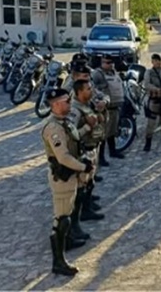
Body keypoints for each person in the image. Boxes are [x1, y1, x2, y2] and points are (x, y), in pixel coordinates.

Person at [42, 88, 94, 276]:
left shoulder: (65, 122)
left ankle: (68, 242)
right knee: (62, 219)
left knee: (68, 214)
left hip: (72, 175)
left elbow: (76, 138)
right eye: (66, 101)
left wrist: (88, 129)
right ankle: (58, 262)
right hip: (63, 177)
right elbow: (62, 157)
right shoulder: (53, 127)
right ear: (55, 104)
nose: (69, 103)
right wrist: (82, 167)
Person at [68, 80, 105, 225]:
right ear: (79, 92)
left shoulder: (87, 104)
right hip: (83, 152)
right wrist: (88, 127)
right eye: (88, 89)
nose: (91, 91)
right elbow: (71, 134)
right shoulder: (74, 110)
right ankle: (77, 220)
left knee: (89, 182)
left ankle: (87, 207)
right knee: (81, 187)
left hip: (92, 147)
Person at [92, 54, 125, 159]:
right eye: (107, 62)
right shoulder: (98, 74)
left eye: (111, 62)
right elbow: (92, 88)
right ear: (102, 62)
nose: (110, 64)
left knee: (112, 131)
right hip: (105, 109)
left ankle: (113, 151)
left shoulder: (114, 73)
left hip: (115, 108)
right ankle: (100, 157)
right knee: (103, 134)